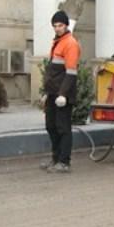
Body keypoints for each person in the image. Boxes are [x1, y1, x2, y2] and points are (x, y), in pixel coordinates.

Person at [41, 10, 80, 173]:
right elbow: (53, 72)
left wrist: (63, 94)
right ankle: (55, 158)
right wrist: (46, 92)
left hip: (63, 94)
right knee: (51, 126)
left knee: (63, 128)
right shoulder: (57, 42)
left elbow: (71, 72)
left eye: (60, 25)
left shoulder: (70, 44)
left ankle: (64, 161)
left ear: (66, 26)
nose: (57, 28)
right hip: (53, 93)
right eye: (55, 26)